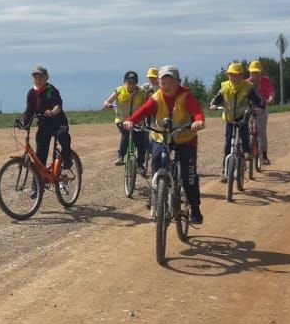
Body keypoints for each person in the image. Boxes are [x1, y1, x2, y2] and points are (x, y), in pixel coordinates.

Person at [122, 65, 205, 224]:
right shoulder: (156, 98)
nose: (167, 87)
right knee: (157, 164)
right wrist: (131, 120)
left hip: (185, 138)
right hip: (162, 137)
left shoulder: (186, 96)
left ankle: (195, 208)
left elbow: (197, 111)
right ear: (159, 83)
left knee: (190, 177)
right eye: (163, 83)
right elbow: (143, 111)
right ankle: (158, 197)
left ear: (178, 82)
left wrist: (199, 121)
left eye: (171, 83)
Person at [209, 62, 264, 178]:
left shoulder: (247, 87)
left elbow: (256, 98)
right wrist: (213, 104)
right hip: (229, 118)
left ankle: (247, 151)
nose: (233, 78)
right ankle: (225, 170)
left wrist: (261, 105)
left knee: (244, 133)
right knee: (227, 144)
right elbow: (217, 98)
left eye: (236, 75)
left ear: (241, 75)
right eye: (231, 75)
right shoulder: (224, 87)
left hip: (242, 116)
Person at [16, 65, 73, 171]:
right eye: (35, 77)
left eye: (41, 77)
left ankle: (67, 158)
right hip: (44, 124)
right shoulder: (31, 93)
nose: (38, 79)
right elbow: (29, 111)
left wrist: (52, 112)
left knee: (62, 135)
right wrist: (22, 121)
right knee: (40, 154)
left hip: (58, 122)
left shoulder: (51, 90)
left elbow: (57, 106)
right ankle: (37, 184)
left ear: (46, 78)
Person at [102, 70, 150, 172]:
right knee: (125, 133)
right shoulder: (119, 90)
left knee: (141, 144)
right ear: (124, 82)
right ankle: (121, 156)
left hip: (138, 123)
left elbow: (149, 103)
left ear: (136, 83)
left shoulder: (142, 93)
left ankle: (140, 164)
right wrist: (107, 104)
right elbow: (108, 100)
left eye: (133, 82)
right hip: (122, 120)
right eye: (129, 82)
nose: (131, 84)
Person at [247, 60, 274, 165]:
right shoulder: (247, 83)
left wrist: (270, 99)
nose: (254, 75)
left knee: (261, 132)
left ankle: (264, 155)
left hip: (262, 108)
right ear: (249, 72)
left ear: (260, 72)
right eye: (252, 72)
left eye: (256, 72)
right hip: (249, 108)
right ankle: (246, 151)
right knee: (246, 130)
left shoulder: (266, 81)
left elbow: (271, 91)